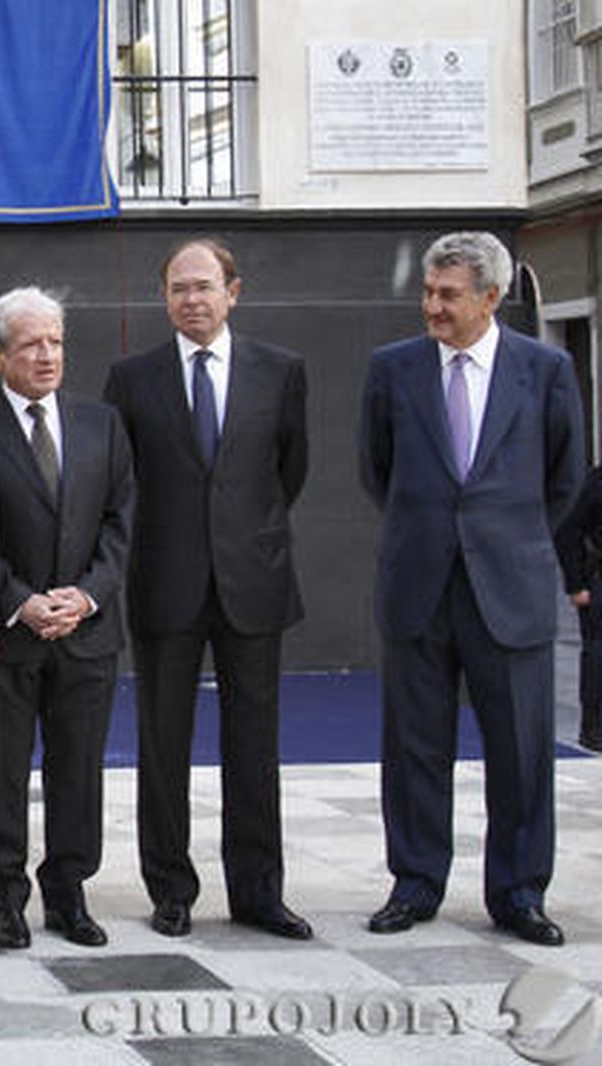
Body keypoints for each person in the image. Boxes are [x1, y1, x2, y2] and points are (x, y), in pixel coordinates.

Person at [360, 231, 585, 946]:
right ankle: (416, 882)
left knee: (521, 750)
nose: (433, 306)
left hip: (509, 588)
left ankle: (518, 891)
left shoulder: (544, 370)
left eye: (449, 294)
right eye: (428, 292)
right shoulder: (392, 369)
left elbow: (564, 479)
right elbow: (378, 471)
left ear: (491, 297)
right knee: (415, 748)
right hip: (418, 586)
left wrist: (503, 538)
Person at [103, 237, 313, 941]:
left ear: (234, 293)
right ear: (164, 298)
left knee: (254, 745)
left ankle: (258, 891)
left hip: (252, 583)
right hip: (166, 584)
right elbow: (120, 485)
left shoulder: (280, 372)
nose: (191, 300)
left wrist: (242, 537)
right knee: (163, 746)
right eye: (177, 288)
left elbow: (288, 472)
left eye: (204, 286)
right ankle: (170, 889)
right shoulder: (132, 379)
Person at [0, 287, 134, 950]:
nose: (47, 356)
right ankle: (4, 898)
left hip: (85, 633)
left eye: (56, 342)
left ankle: (69, 891)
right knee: (0, 770)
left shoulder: (102, 424)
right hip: (10, 635)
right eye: (32, 343)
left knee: (78, 769)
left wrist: (86, 596)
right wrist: (19, 600)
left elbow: (122, 522)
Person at [555, 463, 602, 753]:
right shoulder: (596, 483)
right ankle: (593, 726)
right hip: (599, 584)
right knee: (598, 656)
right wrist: (576, 584)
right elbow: (568, 532)